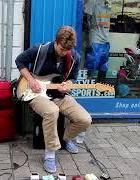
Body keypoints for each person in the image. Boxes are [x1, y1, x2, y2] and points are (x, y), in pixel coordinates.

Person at [15, 26, 92, 173]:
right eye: (62, 49)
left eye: (67, 51)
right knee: (52, 111)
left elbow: (72, 79)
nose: (64, 53)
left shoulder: (74, 57)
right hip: (36, 94)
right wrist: (31, 80)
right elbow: (19, 61)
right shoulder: (39, 50)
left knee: (85, 119)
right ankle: (50, 154)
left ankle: (65, 138)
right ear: (56, 42)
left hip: (59, 95)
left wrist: (67, 85)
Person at [83, 0, 111, 82]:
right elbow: (85, 18)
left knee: (104, 64)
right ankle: (87, 85)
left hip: (105, 38)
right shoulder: (91, 2)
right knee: (92, 62)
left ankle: (101, 86)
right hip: (95, 37)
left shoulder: (107, 4)